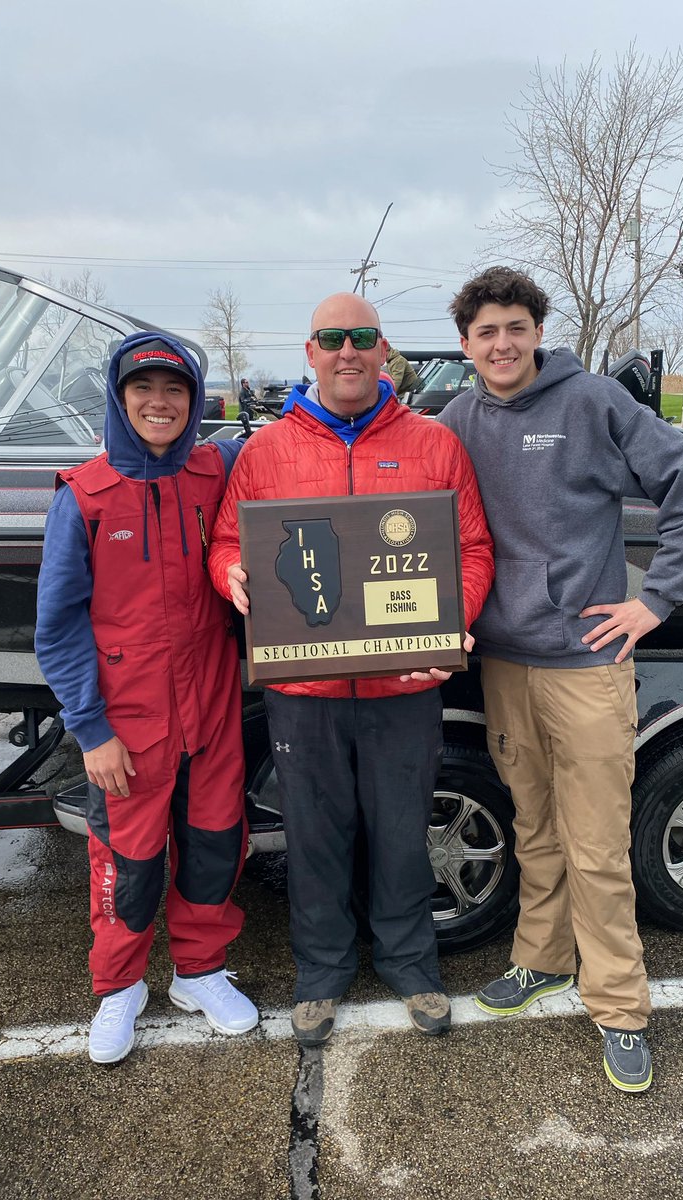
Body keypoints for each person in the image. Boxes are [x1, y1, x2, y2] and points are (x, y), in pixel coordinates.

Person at [439, 267, 683, 1093]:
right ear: (466, 345)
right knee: (535, 826)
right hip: (503, 663)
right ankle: (543, 960)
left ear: (538, 332)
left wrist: (654, 600)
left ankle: (620, 1009)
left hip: (587, 666)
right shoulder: (456, 420)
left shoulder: (593, 402)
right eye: (486, 332)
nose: (502, 344)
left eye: (515, 328)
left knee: (596, 845)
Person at [209, 293, 493, 1047]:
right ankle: (322, 972)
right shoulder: (265, 452)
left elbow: (472, 549)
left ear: (382, 349)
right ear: (310, 352)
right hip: (305, 690)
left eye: (361, 337)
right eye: (331, 337)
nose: (347, 350)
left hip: (405, 687)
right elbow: (226, 542)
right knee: (315, 835)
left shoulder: (434, 444)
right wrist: (231, 574)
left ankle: (410, 963)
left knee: (402, 831)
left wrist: (449, 621)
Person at [35, 333, 258, 1064]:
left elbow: (292, 440)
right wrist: (90, 729)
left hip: (212, 709)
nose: (160, 403)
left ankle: (199, 971)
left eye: (175, 390)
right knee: (127, 863)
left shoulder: (214, 470)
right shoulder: (85, 497)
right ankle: (120, 987)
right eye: (143, 389)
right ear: (119, 397)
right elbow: (57, 626)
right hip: (127, 724)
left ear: (195, 401)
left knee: (215, 845)